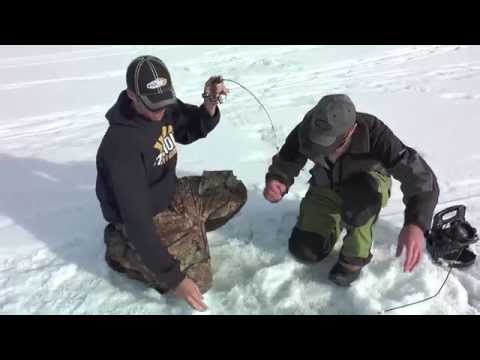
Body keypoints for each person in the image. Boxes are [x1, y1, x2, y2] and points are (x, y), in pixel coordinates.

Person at [96, 55, 247, 311]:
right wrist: (175, 279)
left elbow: (190, 127)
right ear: (132, 96)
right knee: (199, 282)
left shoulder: (162, 104)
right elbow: (138, 222)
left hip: (169, 191)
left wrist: (209, 102)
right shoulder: (121, 145)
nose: (161, 111)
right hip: (143, 215)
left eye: (164, 103)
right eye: (153, 105)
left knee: (234, 190)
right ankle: (122, 250)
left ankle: (187, 230)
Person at [264, 94, 439, 286]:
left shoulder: (375, 133)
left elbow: (420, 177)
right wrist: (278, 179)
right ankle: (333, 223)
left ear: (351, 131)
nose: (325, 150)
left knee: (359, 204)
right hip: (326, 186)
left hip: (367, 188)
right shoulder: (309, 126)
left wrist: (416, 223)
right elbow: (288, 159)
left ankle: (356, 256)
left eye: (332, 144)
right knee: (305, 251)